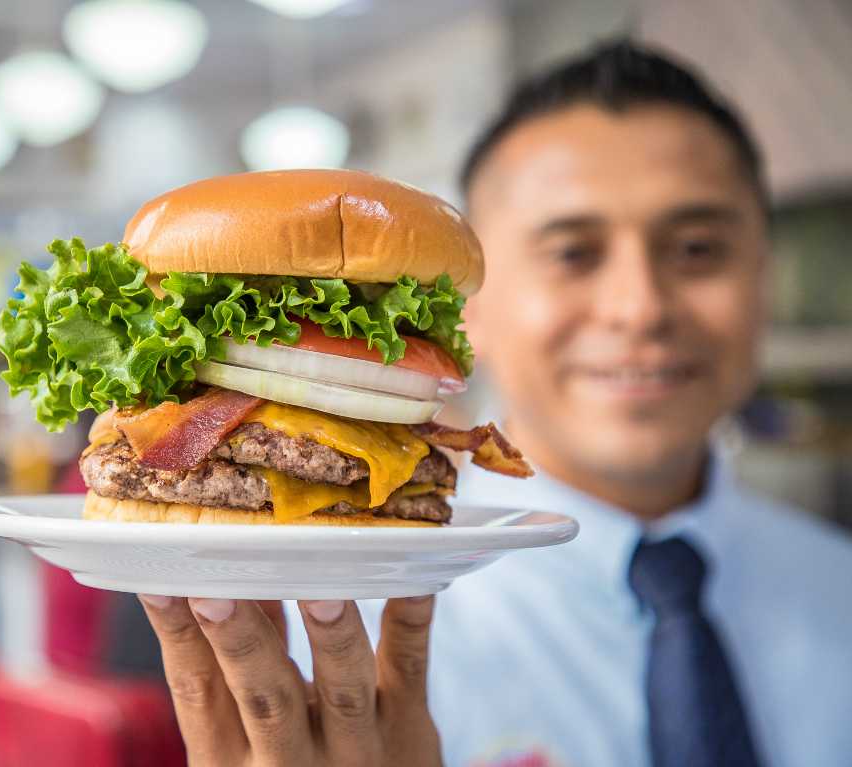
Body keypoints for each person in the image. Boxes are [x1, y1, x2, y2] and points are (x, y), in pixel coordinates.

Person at [135, 40, 852, 767]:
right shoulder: (303, 634)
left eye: (697, 249)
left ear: (763, 277)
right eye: (572, 252)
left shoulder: (839, 586)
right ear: (466, 312)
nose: (639, 308)